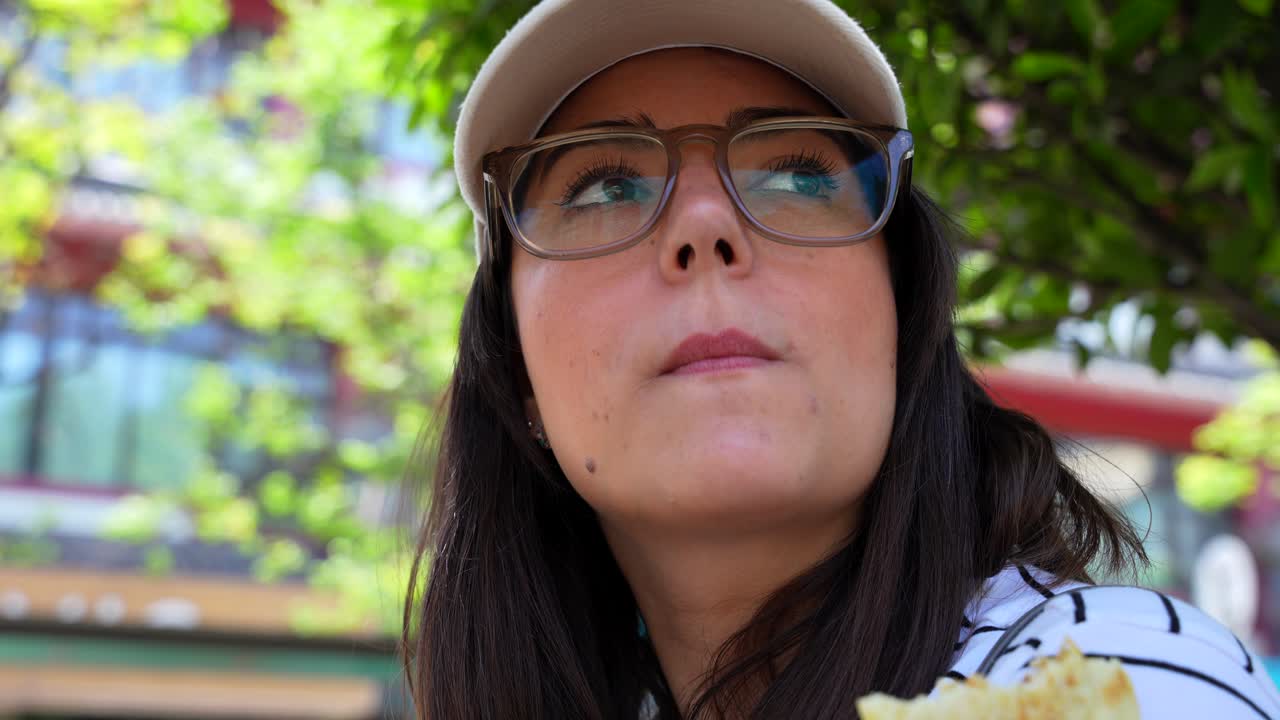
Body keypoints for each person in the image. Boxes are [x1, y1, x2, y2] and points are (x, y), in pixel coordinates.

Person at [401, 1, 1280, 718]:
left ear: (903, 317)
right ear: (516, 374)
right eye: (605, 186)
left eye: (793, 173)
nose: (704, 226)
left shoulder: (1120, 675)